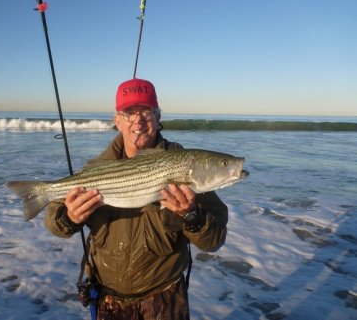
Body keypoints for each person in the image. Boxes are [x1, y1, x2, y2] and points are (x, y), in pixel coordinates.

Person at [44, 78, 228, 320]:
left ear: (158, 118)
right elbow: (54, 223)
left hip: (164, 297)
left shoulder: (186, 166)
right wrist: (69, 217)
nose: (138, 122)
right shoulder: (97, 167)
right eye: (129, 114)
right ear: (117, 121)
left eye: (146, 113)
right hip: (108, 299)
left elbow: (213, 241)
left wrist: (191, 215)